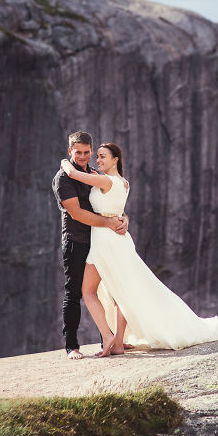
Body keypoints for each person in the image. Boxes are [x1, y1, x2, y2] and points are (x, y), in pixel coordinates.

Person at [59, 142, 218, 355]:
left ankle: (110, 338)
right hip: (118, 239)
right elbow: (115, 207)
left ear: (115, 160)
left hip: (105, 240)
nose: (97, 160)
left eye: (102, 157)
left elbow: (72, 172)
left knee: (88, 291)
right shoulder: (124, 183)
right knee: (120, 291)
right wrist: (122, 218)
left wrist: (65, 160)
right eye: (97, 156)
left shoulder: (103, 180)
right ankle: (117, 342)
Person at [52, 131, 129, 360]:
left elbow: (110, 203)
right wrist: (110, 223)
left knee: (110, 291)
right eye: (78, 152)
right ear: (70, 151)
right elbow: (76, 214)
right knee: (74, 292)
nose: (84, 156)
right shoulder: (63, 178)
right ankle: (72, 346)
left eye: (87, 152)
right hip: (76, 240)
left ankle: (110, 338)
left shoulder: (95, 174)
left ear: (91, 151)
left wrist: (124, 218)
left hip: (100, 241)